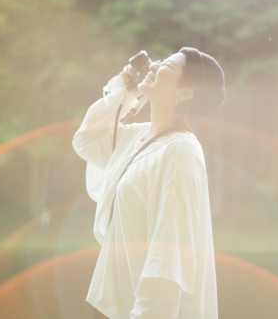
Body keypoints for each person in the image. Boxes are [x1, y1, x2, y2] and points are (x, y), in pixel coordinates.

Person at [72, 47, 225, 319]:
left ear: (184, 92)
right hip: (107, 304)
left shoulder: (180, 151)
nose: (153, 65)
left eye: (166, 64)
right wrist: (127, 91)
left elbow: (169, 256)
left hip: (135, 310)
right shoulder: (138, 137)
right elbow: (87, 140)